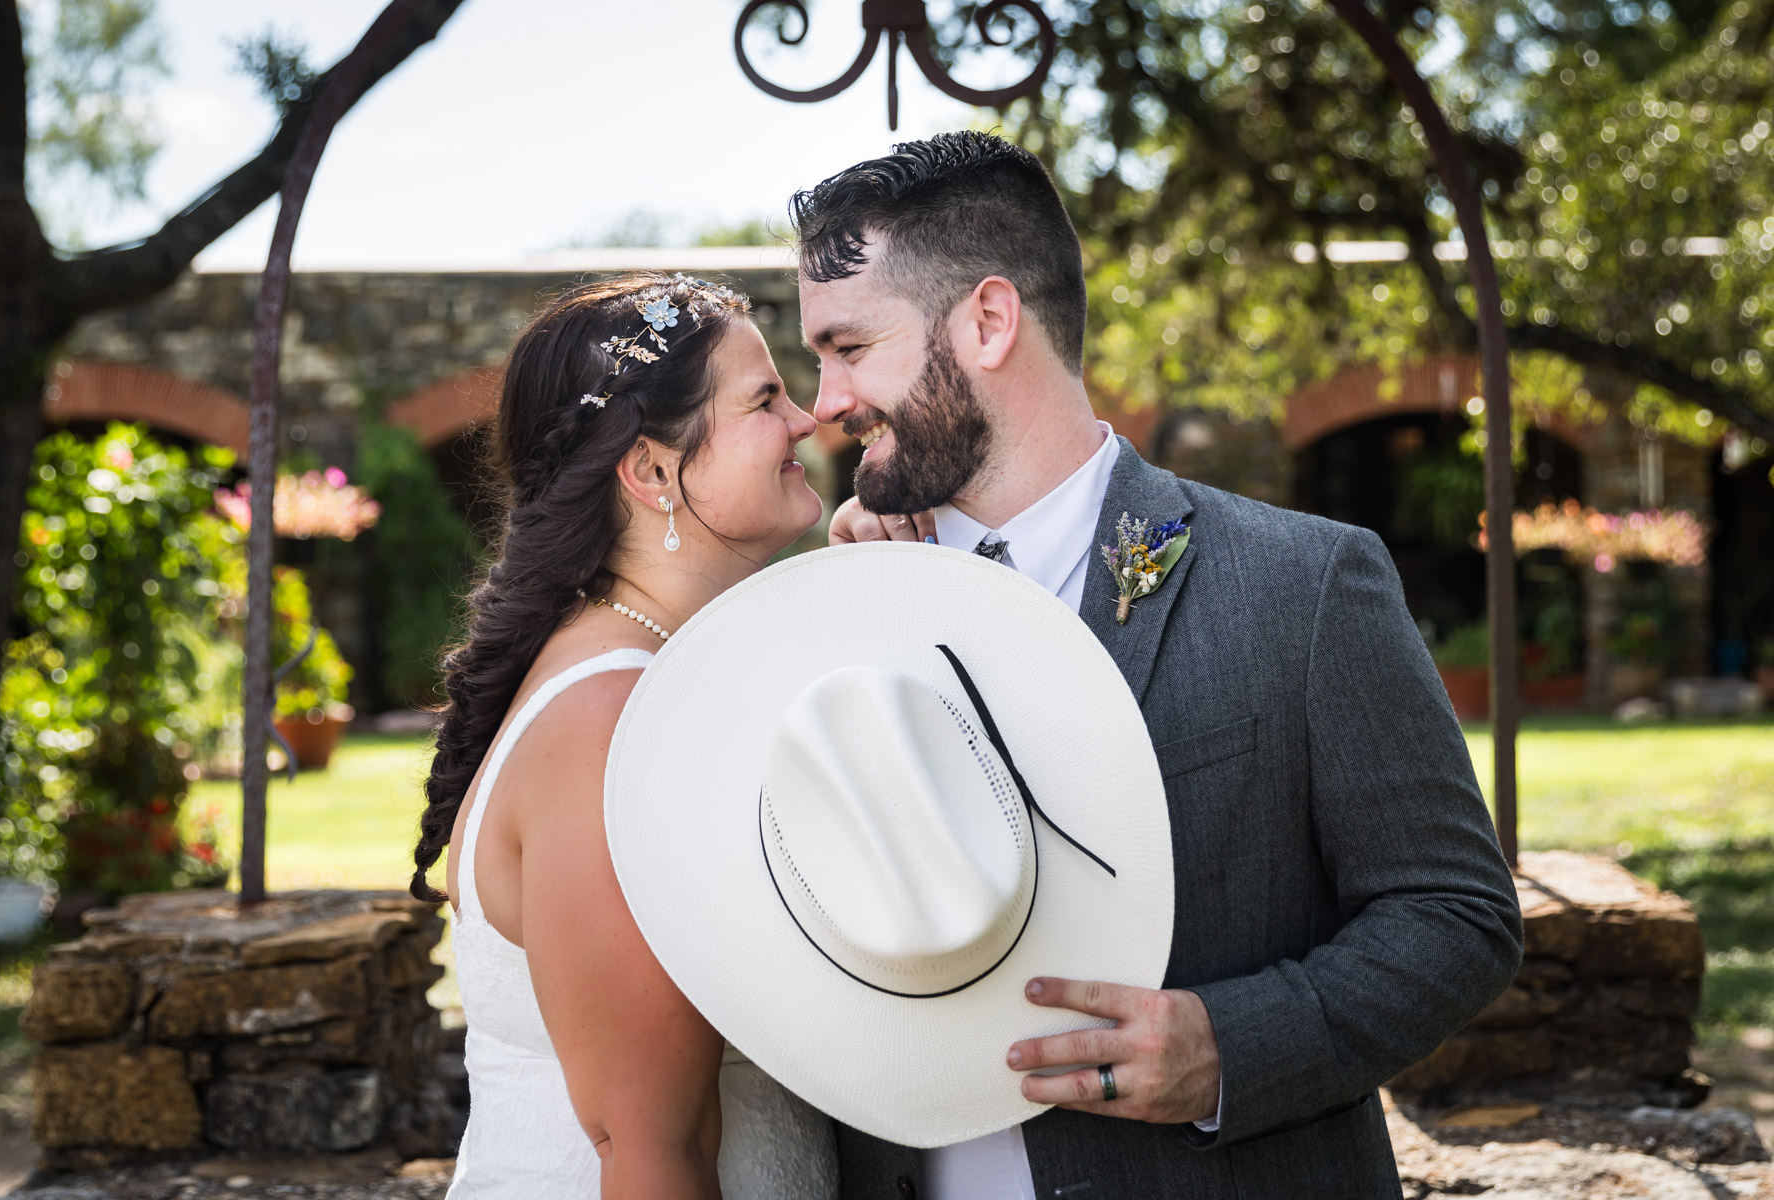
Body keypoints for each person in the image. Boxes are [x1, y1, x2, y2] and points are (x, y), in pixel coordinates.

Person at [801, 131, 1524, 1199]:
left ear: (990, 321)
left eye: (850, 347)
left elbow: (1458, 916)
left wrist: (1231, 1049)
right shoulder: (840, 606)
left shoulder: (1308, 586)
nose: (825, 400)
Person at [409, 273, 838, 1200]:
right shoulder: (609, 724)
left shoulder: (660, 678)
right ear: (650, 472)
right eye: (765, 399)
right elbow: (649, 1149)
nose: (806, 420)